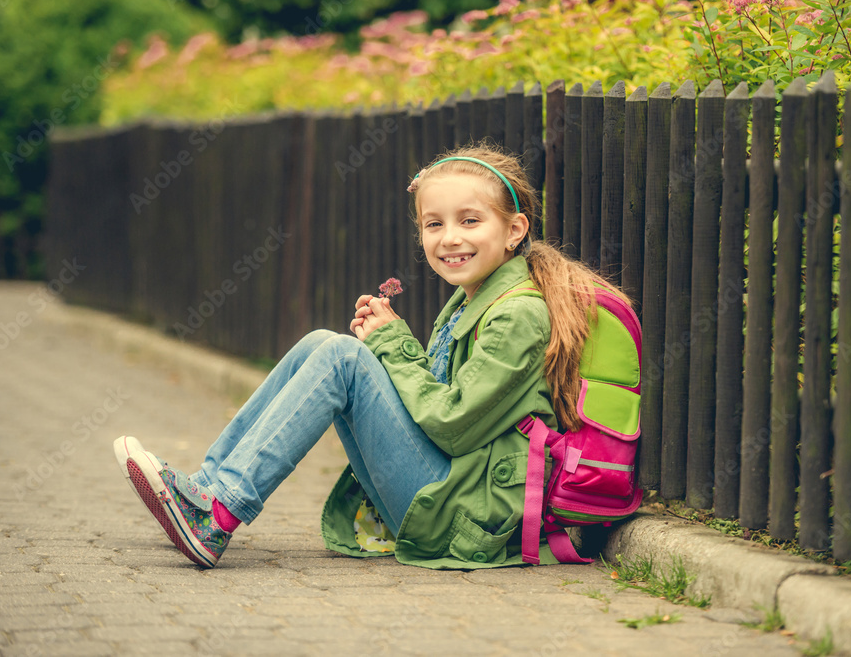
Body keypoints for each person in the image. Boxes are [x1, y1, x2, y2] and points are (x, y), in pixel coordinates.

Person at [113, 140, 628, 569]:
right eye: (433, 224)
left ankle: (218, 514)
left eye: (470, 221)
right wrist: (391, 347)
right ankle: (207, 489)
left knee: (341, 357)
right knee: (323, 343)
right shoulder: (475, 298)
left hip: (465, 516)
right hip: (451, 490)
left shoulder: (518, 314)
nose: (450, 238)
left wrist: (390, 345)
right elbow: (443, 402)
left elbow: (452, 423)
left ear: (514, 230)